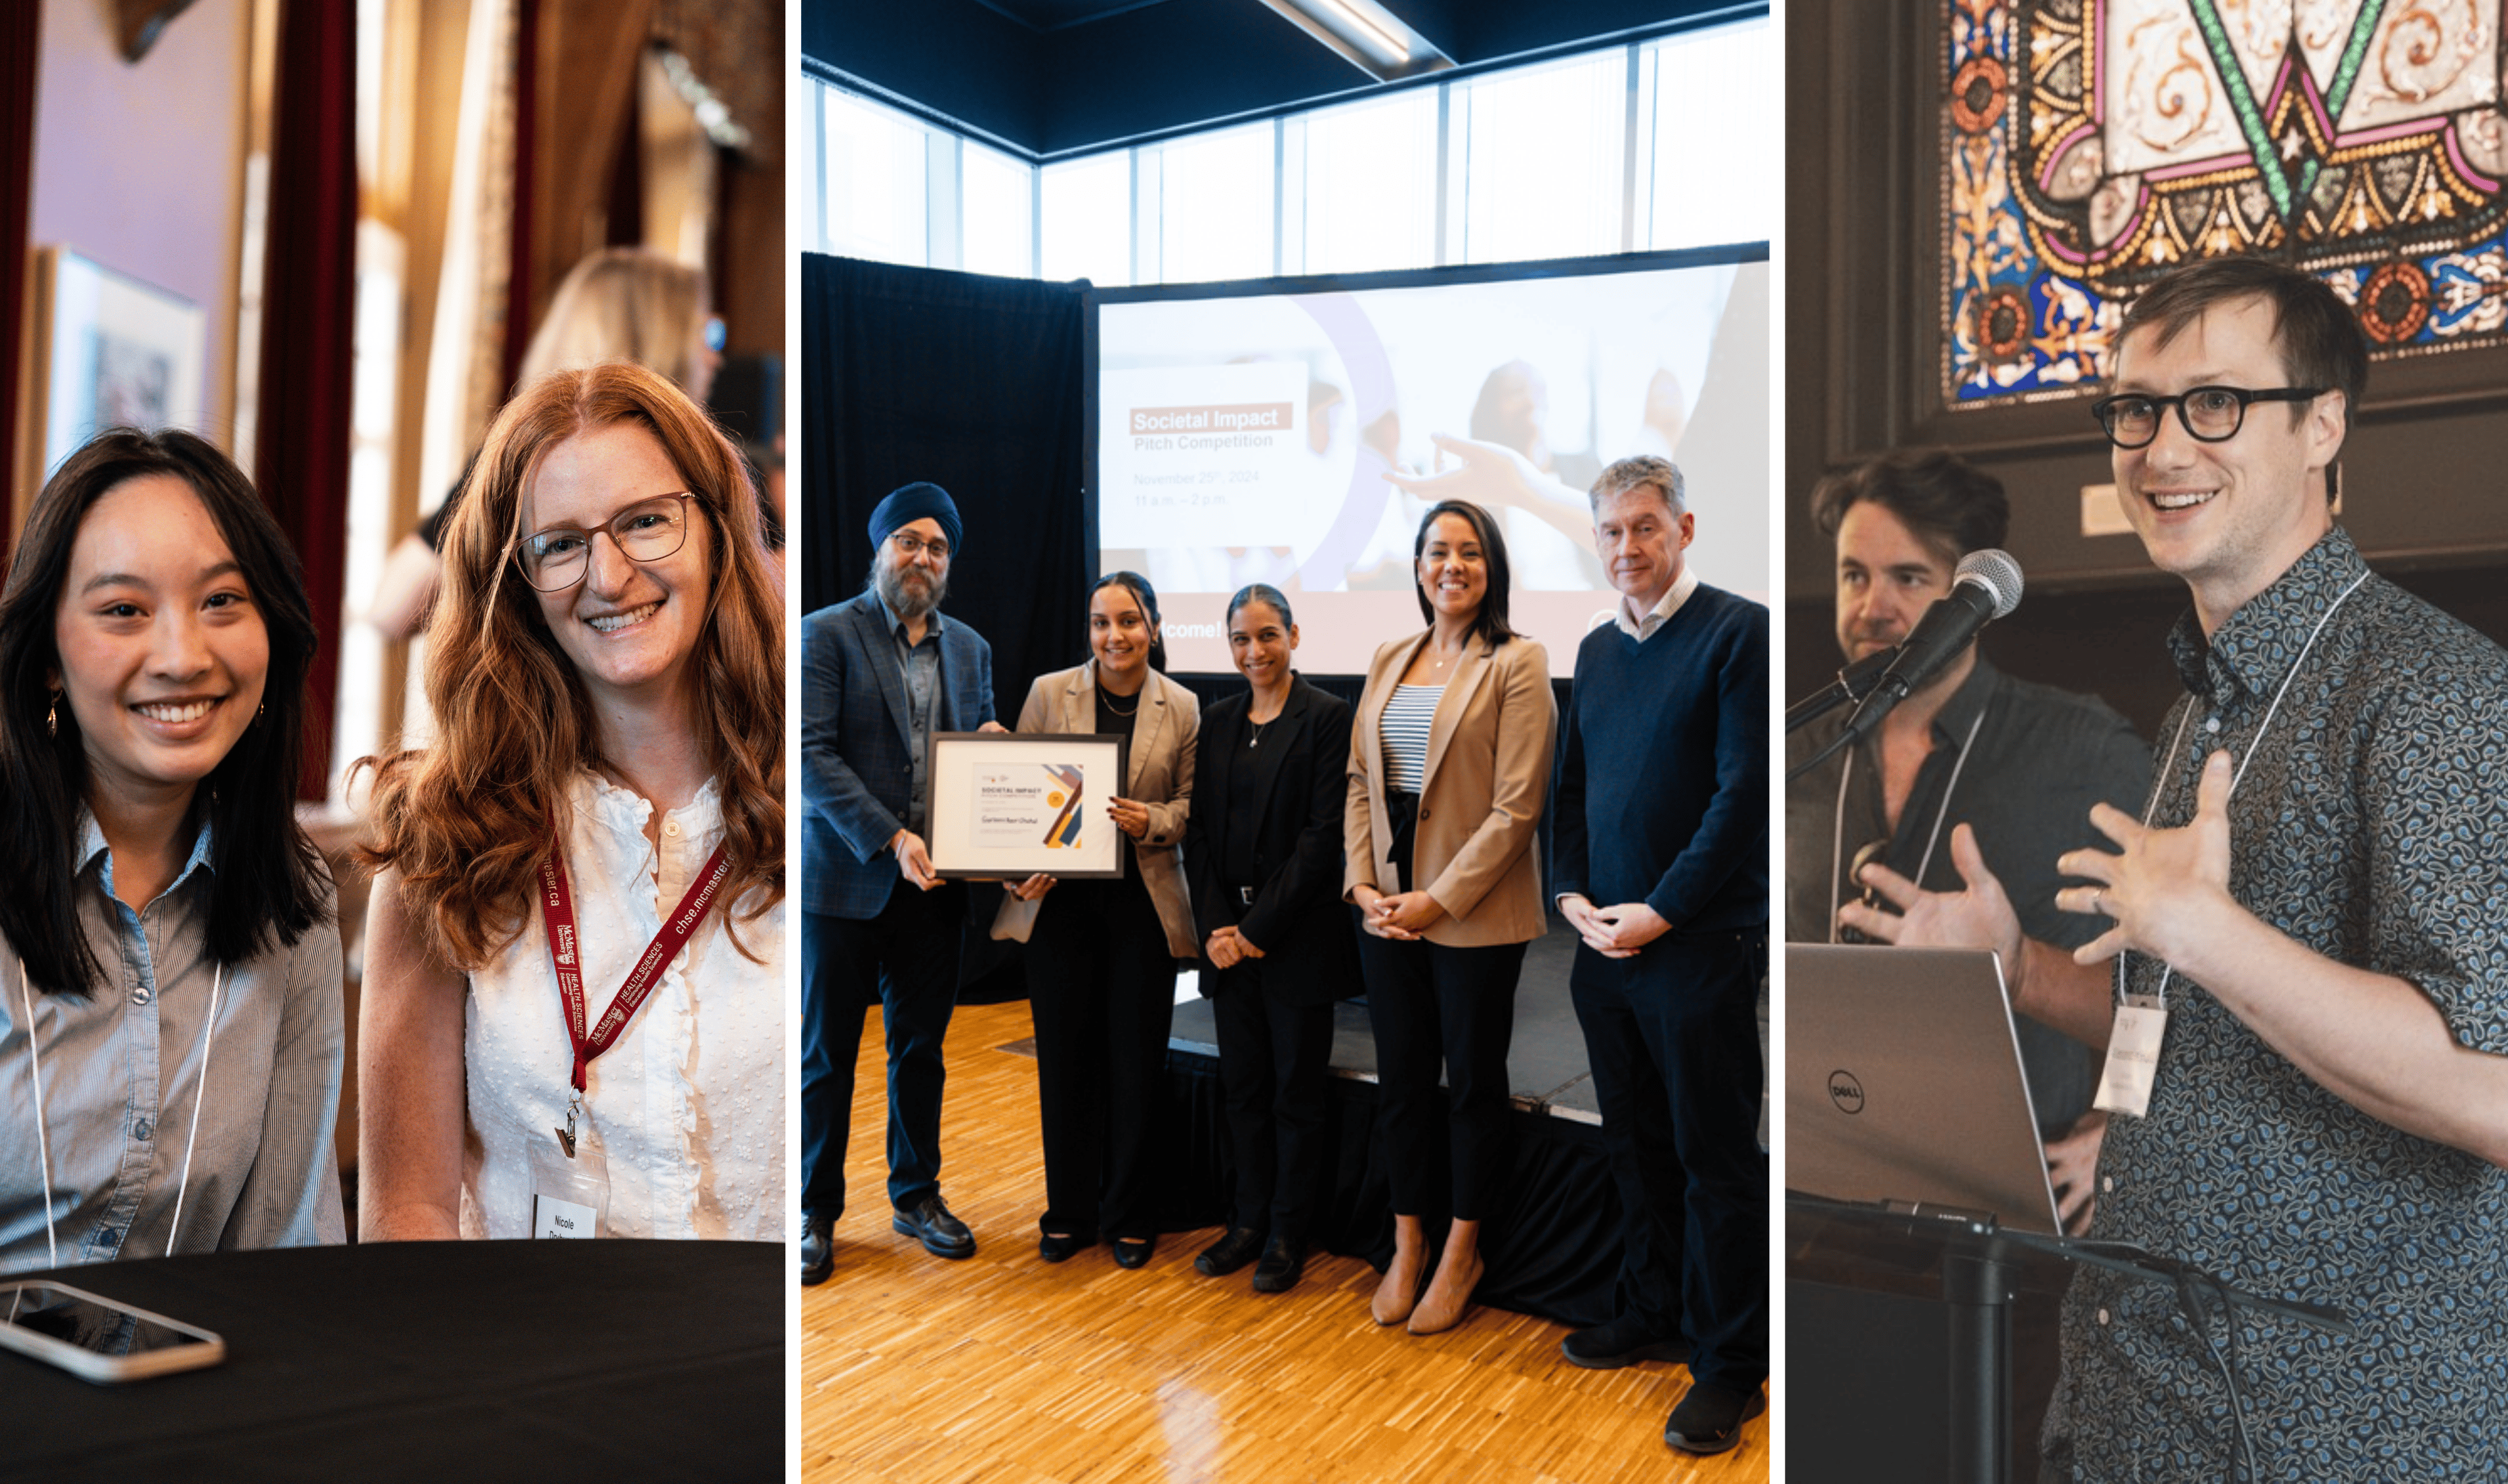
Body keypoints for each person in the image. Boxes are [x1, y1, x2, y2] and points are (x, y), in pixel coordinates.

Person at [1847, 255, 2508, 1480]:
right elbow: (2198, 1034)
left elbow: (2489, 1091)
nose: (2159, 448)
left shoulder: (2432, 695)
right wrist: (2017, 966)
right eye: (2134, 409)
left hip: (2333, 1424)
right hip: (2137, 1390)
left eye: (2213, 403)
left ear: (2321, 423)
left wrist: (2209, 932)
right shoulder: (2198, 708)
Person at [359, 361, 785, 1244]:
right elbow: (411, 1209)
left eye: (645, 522)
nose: (611, 572)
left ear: (714, 530)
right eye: (561, 543)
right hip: (531, 1366)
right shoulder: (443, 841)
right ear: (518, 579)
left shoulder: (818, 805)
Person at [1, 429, 342, 1271]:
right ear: (47, 656)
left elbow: (286, 1250)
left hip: (190, 1394)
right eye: (123, 610)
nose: (184, 657)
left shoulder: (292, 896)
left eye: (222, 601)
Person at [1787, 448, 2148, 1204]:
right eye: (1854, 574)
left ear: (1973, 597)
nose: (1871, 606)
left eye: (1908, 578)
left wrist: (2124, 1124)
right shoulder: (1793, 755)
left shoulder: (2080, 747)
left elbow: (2169, 982)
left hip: (2005, 1207)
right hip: (1812, 1186)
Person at [1551, 456, 1768, 1453]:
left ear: (1685, 528)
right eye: (1610, 532)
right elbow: (1570, 794)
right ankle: (1650, 1307)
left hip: (1699, 946)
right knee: (1631, 1145)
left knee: (1712, 1159)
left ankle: (1729, 1363)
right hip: (1605, 947)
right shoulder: (1594, 650)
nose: (1627, 548)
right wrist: (1572, 897)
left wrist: (1663, 911)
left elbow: (1740, 800)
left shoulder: (1738, 633)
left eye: (1645, 527)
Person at [1344, 498, 1554, 1335]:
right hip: (1387, 907)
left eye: (1469, 552)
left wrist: (1439, 898)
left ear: (1491, 566)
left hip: (1470, 911)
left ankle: (1463, 1249)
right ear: (1419, 564)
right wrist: (1363, 885)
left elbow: (1517, 807)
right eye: (1437, 551)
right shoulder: (1389, 653)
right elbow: (1362, 781)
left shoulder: (1518, 660)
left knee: (1469, 1085)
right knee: (1400, 1085)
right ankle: (1407, 1242)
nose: (1451, 565)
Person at [798, 481, 999, 1281]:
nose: (922, 556)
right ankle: (814, 1211)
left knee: (921, 1049)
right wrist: (890, 836)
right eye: (909, 540)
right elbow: (810, 755)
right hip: (843, 884)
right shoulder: (823, 636)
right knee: (826, 1055)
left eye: (938, 546)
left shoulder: (971, 649)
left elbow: (975, 757)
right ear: (878, 547)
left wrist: (993, 758)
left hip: (937, 888)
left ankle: (916, 1196)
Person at [367, 246, 730, 641]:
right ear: (662, 339)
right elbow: (391, 609)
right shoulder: (517, 464)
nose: (715, 357)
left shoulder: (717, 464)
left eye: (646, 522)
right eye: (707, 333)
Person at [998, 571, 1201, 1269]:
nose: (1113, 635)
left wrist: (1155, 820)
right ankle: (1069, 1211)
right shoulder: (1050, 692)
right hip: (1058, 909)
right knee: (1064, 1062)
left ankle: (1131, 1213)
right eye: (1099, 621)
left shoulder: (1183, 705)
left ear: (1153, 625)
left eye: (1128, 620)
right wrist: (1016, 864)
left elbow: (1189, 806)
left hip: (1142, 908)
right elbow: (1018, 798)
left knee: (1136, 1065)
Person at [1182, 584, 1359, 1294]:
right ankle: (1247, 1220)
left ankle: (1289, 1230)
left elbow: (1323, 840)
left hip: (1294, 940)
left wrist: (1254, 931)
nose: (1253, 651)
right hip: (1228, 941)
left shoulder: (1326, 716)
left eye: (1266, 636)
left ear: (1292, 635)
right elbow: (1195, 835)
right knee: (1242, 1089)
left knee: (1295, 1093)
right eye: (1239, 639)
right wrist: (1218, 931)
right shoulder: (1217, 720)